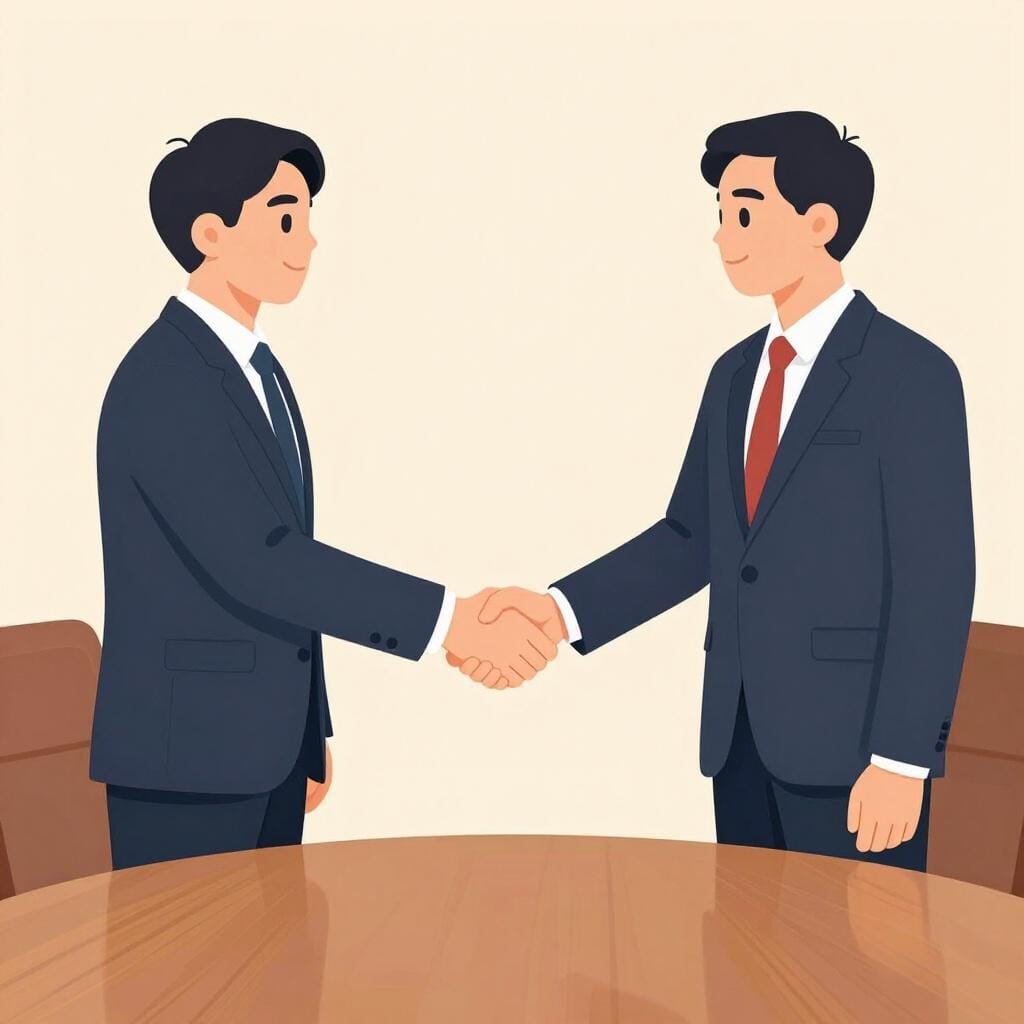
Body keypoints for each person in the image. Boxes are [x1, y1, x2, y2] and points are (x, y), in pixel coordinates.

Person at [458, 111, 975, 869]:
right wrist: (558, 610)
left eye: (744, 211)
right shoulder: (735, 374)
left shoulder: (912, 373)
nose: (721, 234)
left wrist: (901, 761)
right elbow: (692, 538)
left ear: (819, 222)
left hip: (853, 752)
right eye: (721, 214)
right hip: (738, 737)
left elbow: (937, 577)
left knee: (855, 974)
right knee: (749, 966)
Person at [91, 118, 557, 870]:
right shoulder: (166, 379)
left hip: (265, 749)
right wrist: (451, 622)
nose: (305, 242)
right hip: (187, 761)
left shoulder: (259, 372)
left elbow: (286, 569)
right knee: (188, 979)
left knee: (266, 975)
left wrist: (310, 730)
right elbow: (261, 562)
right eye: (283, 218)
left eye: (306, 219)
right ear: (210, 232)